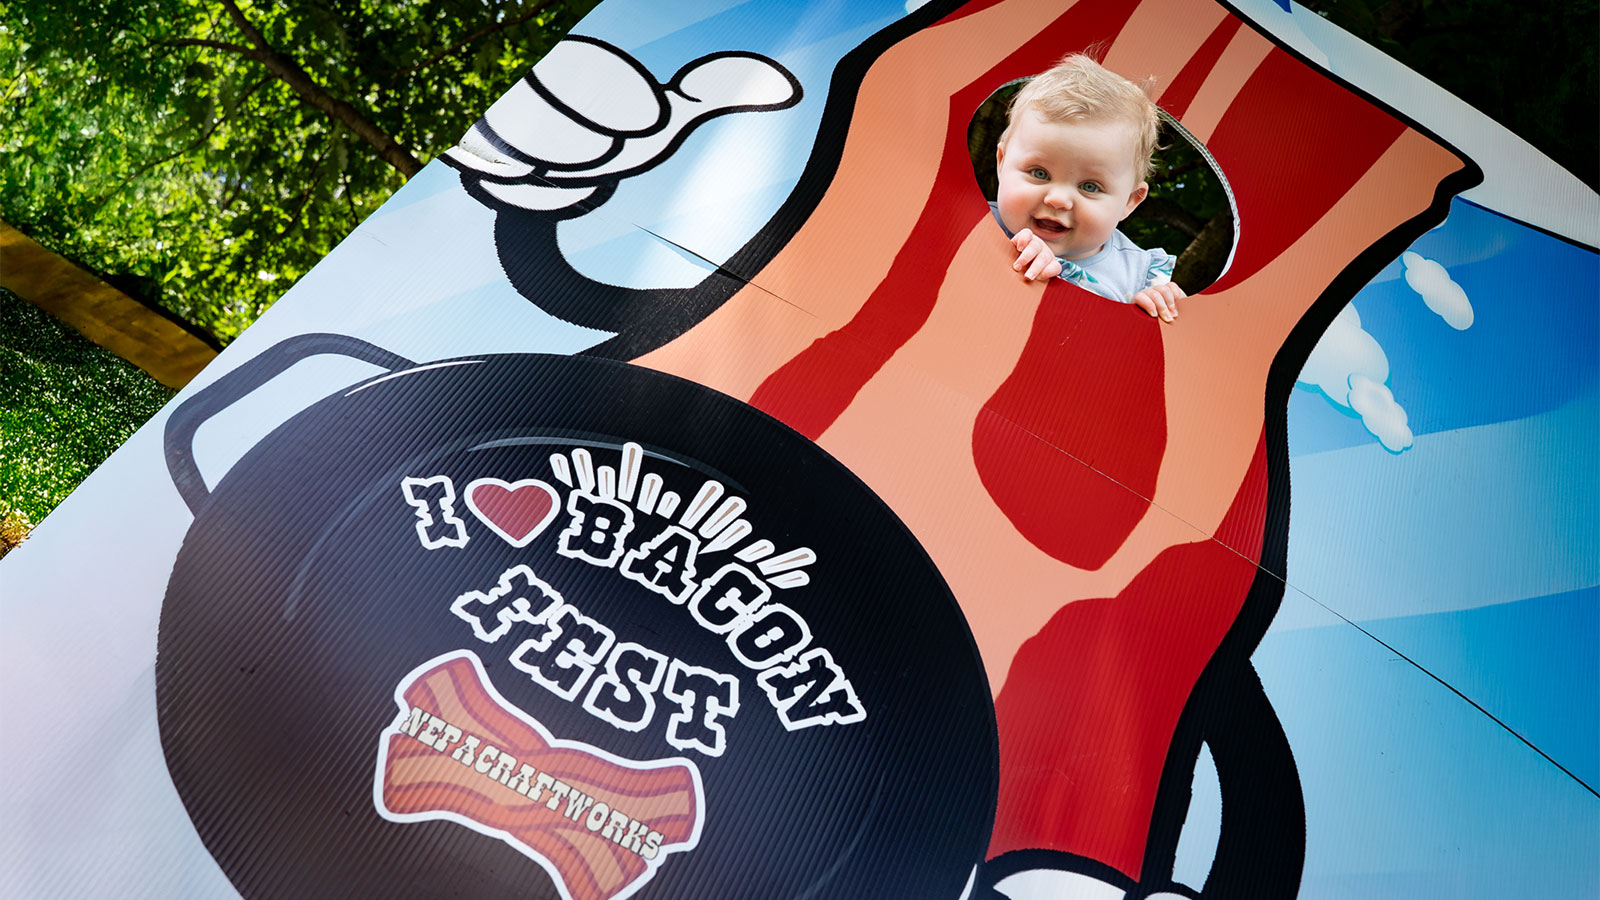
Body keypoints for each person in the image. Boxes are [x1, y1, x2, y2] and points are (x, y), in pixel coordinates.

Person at [993, 53, 1187, 323]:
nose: (1059, 199)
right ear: (1002, 163)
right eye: (1039, 173)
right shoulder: (979, 222)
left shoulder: (1139, 276)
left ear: (1130, 201)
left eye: (1090, 186)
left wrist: (1155, 305)